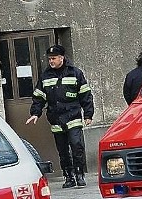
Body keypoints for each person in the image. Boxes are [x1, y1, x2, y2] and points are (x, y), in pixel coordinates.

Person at [27, 45, 94, 188]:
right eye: (49, 59)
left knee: (77, 146)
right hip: (56, 119)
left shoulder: (75, 73)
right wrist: (35, 113)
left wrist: (88, 114)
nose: (51, 61)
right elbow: (39, 97)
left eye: (53, 58)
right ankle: (68, 177)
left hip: (73, 116)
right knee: (62, 150)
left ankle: (79, 174)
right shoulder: (46, 76)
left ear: (61, 58)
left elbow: (85, 95)